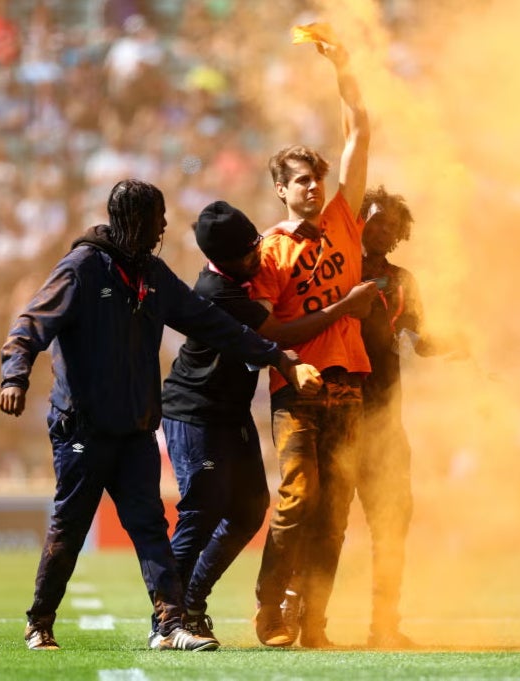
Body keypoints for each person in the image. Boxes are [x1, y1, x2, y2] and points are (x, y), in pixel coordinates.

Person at [0, 179, 319, 653]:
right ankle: (39, 622)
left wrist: (277, 356)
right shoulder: (82, 269)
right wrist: (15, 375)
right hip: (83, 427)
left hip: (135, 427)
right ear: (131, 222)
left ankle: (169, 624)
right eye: (156, 219)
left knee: (150, 527)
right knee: (70, 526)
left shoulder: (151, 274)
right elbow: (30, 325)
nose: (164, 227)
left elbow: (212, 323)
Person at [159, 200, 377, 646]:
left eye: (257, 245)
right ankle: (168, 621)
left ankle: (193, 604)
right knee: (203, 511)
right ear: (223, 261)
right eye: (248, 254)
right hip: (194, 411)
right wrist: (344, 307)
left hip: (230, 412)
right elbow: (274, 336)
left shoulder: (239, 274)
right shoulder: (219, 293)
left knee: (249, 511)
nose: (258, 257)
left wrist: (287, 229)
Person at [250, 27, 371, 648]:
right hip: (297, 386)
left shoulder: (343, 220)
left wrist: (343, 72)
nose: (314, 187)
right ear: (280, 187)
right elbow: (269, 330)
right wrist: (344, 306)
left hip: (349, 384)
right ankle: (271, 608)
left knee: (333, 516)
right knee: (297, 501)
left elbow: (359, 134)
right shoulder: (269, 250)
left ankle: (315, 623)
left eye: (317, 179)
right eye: (301, 181)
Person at [353, 185, 467, 648]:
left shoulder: (403, 281)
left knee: (394, 519)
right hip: (334, 413)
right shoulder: (335, 268)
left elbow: (416, 339)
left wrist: (455, 343)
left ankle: (385, 623)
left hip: (385, 420)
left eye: (392, 226)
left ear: (401, 236)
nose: (383, 231)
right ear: (358, 220)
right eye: (375, 220)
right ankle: (304, 620)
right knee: (324, 524)